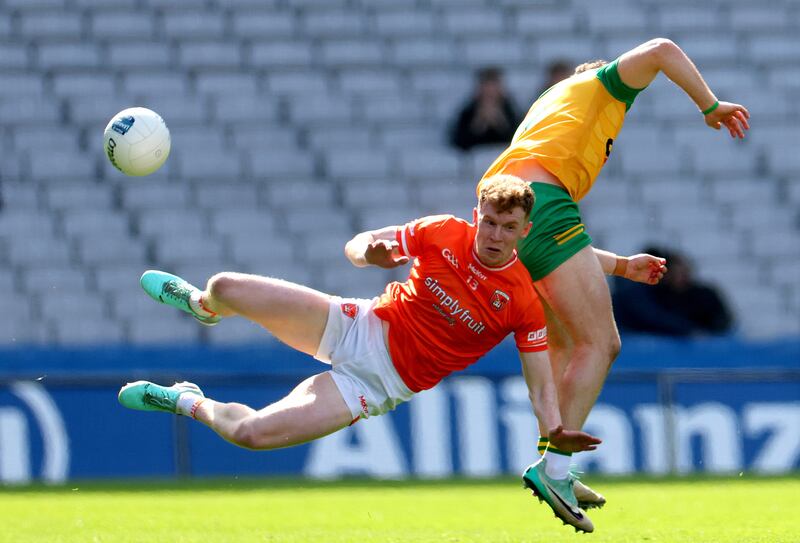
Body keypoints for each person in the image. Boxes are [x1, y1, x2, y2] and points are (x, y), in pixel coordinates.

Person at [118, 175, 603, 532]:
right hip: (356, 324)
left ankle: (186, 400)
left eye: (508, 227)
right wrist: (370, 251)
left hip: (373, 386)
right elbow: (358, 244)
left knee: (251, 433)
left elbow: (540, 382)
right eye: (490, 223)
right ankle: (205, 308)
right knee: (223, 286)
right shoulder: (442, 232)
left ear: (525, 230)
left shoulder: (520, 299)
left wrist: (552, 433)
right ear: (477, 216)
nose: (495, 236)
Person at [477, 38, 749, 504]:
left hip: (508, 206)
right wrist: (710, 105)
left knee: (564, 346)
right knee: (602, 343)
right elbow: (662, 49)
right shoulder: (600, 86)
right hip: (541, 202)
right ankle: (556, 469)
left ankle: (554, 462)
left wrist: (621, 265)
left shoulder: (551, 111)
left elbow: (552, 240)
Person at [613, 246, 734, 336]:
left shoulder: (704, 294)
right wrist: (689, 330)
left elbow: (722, 320)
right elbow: (652, 318)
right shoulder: (642, 293)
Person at [449, 67, 519, 151]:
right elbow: (458, 142)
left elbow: (518, 140)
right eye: (487, 87)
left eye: (493, 87)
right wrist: (478, 124)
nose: (490, 92)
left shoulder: (509, 110)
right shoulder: (468, 111)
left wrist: (501, 123)